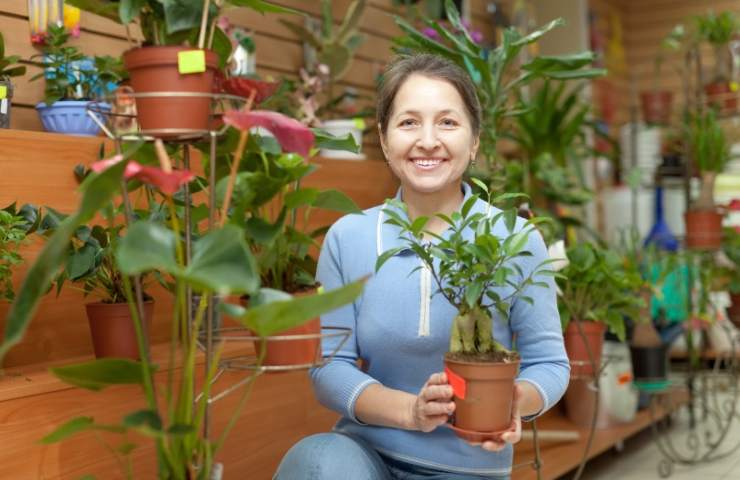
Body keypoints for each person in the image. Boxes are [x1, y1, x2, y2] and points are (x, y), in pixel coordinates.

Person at [275, 54, 569, 480]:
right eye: (409, 122)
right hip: (364, 455)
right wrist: (411, 411)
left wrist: (512, 402)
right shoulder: (349, 237)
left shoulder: (515, 239)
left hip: (468, 466)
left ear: (474, 141)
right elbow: (328, 367)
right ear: (383, 136)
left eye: (448, 123)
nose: (427, 140)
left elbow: (550, 364)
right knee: (316, 461)